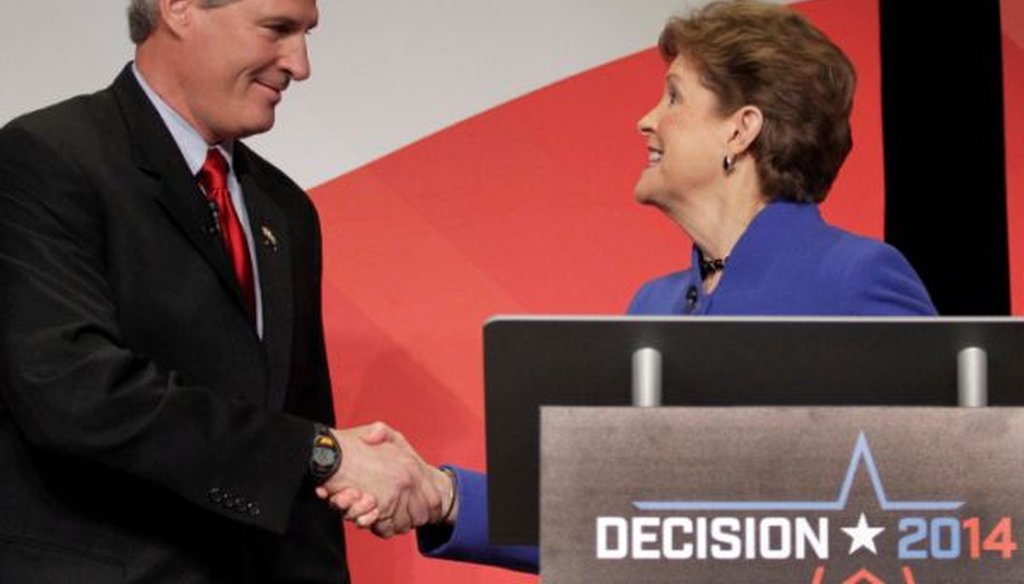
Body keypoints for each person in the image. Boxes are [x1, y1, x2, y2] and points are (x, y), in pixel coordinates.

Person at [326, 0, 937, 574]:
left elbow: (945, 514)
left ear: (741, 130)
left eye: (674, 96)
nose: (647, 119)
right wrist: (442, 495)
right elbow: (609, 522)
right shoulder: (655, 304)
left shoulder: (855, 280)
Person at [0, 1, 451, 581]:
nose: (301, 64)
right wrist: (320, 454)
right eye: (278, 29)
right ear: (179, 8)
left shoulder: (284, 210)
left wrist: (319, 459)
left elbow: (300, 437)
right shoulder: (46, 159)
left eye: (305, 34)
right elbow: (74, 392)